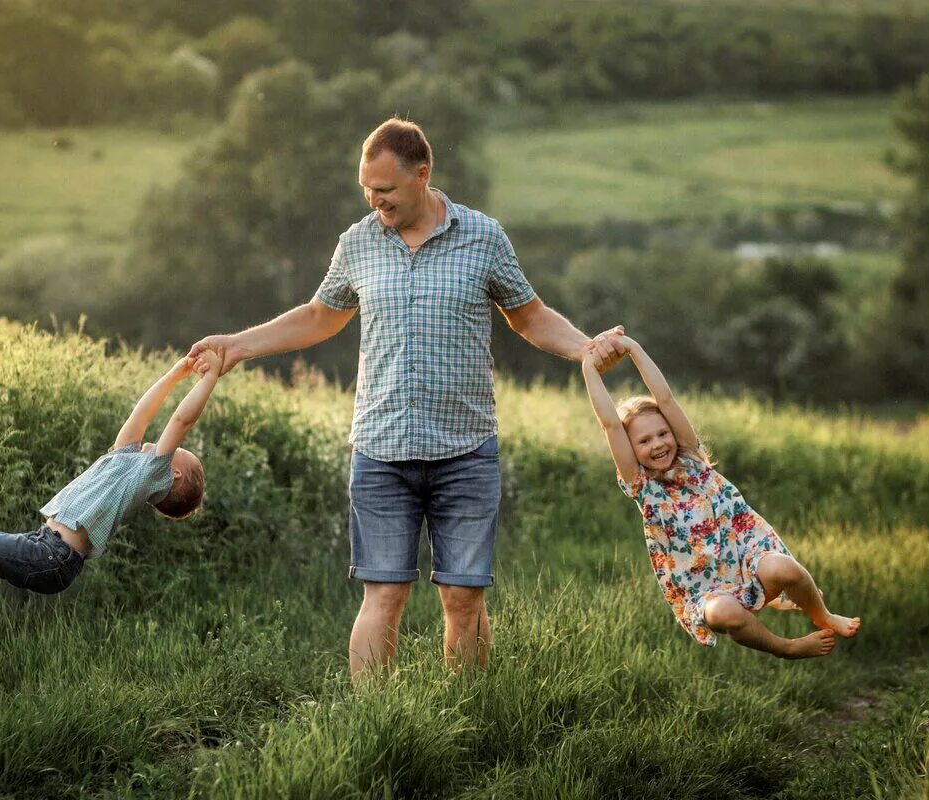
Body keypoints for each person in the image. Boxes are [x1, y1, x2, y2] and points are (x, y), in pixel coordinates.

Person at [189, 117, 626, 681]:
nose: (376, 201)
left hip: (465, 450)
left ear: (423, 176)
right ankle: (378, 726)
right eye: (367, 190)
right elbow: (320, 317)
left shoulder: (483, 237)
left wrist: (586, 349)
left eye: (387, 190)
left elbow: (530, 316)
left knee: (463, 598)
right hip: (381, 449)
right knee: (384, 595)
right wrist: (237, 346)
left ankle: (467, 718)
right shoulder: (358, 242)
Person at [0, 349, 222, 653]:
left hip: (55, 556)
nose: (171, 445)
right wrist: (175, 374)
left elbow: (181, 420)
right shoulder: (126, 461)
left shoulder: (150, 475)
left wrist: (209, 377)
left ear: (173, 474)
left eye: (179, 452)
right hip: (47, 546)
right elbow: (142, 413)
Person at [580, 333, 861, 658]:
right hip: (704, 590)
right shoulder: (642, 485)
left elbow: (666, 399)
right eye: (644, 441)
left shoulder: (691, 459)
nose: (657, 444)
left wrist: (633, 349)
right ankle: (787, 648)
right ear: (630, 450)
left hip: (745, 555)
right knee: (727, 615)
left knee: (786, 569)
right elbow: (611, 425)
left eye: (662, 433)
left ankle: (822, 615)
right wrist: (589, 367)